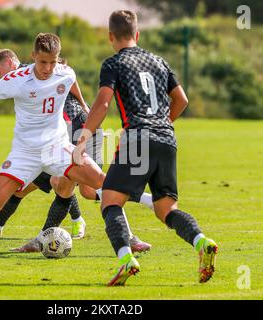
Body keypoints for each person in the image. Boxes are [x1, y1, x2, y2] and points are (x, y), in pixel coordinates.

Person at [75, 11, 218, 286]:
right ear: (137, 35)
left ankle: (126, 259)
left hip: (138, 136)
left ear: (110, 37)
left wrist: (82, 141)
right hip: (167, 139)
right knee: (166, 208)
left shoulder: (113, 64)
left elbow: (103, 104)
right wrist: (162, 124)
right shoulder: (159, 61)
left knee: (110, 201)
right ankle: (201, 241)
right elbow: (182, 99)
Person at [0, 49, 152, 252]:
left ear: (10, 62)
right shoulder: (20, 79)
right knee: (77, 189)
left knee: (80, 186)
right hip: (63, 135)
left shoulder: (39, 68)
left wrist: (82, 103)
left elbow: (68, 75)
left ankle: (129, 234)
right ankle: (44, 236)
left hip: (75, 128)